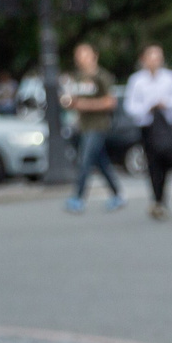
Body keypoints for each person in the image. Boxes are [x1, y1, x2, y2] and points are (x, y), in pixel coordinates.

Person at [122, 43, 172, 220]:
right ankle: (157, 198)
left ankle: (161, 198)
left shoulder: (169, 78)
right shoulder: (136, 80)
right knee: (153, 162)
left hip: (166, 125)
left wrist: (165, 103)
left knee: (166, 159)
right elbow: (130, 106)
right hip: (148, 126)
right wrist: (147, 106)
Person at [59, 42, 125, 214]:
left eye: (85, 54)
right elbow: (70, 100)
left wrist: (85, 105)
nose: (81, 58)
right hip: (82, 126)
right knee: (101, 162)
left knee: (85, 160)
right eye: (79, 55)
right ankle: (117, 194)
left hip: (98, 125)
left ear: (94, 56)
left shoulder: (102, 76)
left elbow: (110, 102)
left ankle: (78, 197)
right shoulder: (77, 78)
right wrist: (70, 102)